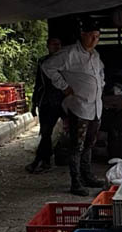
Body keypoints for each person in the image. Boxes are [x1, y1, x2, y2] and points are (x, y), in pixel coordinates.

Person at [42, 18, 106, 195]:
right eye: (91, 36)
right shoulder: (69, 54)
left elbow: (100, 72)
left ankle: (88, 176)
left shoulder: (95, 55)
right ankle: (75, 182)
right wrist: (63, 86)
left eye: (97, 37)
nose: (94, 40)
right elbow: (48, 66)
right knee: (76, 146)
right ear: (83, 35)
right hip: (79, 107)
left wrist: (101, 83)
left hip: (95, 107)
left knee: (89, 144)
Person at [26, 36, 65, 174]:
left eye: (59, 44)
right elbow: (38, 84)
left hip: (63, 101)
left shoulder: (66, 62)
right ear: (47, 46)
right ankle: (44, 161)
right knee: (46, 133)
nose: (57, 47)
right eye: (54, 44)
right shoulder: (43, 61)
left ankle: (40, 160)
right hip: (47, 101)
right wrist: (34, 103)